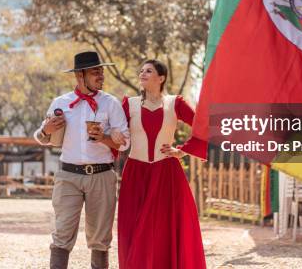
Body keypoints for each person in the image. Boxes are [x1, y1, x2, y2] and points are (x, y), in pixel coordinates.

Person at [34, 51, 129, 269]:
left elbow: (124, 143)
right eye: (95, 72)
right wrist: (46, 129)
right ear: (80, 75)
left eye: (101, 71)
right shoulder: (61, 103)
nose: (101, 76)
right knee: (62, 233)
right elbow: (42, 139)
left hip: (102, 175)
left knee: (100, 238)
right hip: (68, 176)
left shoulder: (110, 104)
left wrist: (104, 138)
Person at [115, 59, 207, 269]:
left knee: (163, 228)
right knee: (135, 227)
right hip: (136, 174)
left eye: (148, 71)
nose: (142, 74)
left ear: (161, 78)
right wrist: (113, 134)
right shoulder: (129, 104)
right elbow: (116, 131)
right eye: (141, 71)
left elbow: (202, 126)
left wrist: (182, 151)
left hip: (166, 173)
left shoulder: (175, 103)